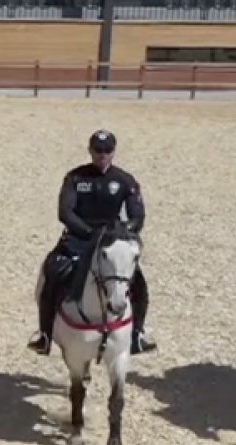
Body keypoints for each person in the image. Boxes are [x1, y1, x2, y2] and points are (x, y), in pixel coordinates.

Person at [28, 129, 155, 356]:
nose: (102, 155)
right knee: (52, 272)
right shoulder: (76, 178)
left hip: (110, 242)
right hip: (79, 238)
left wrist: (123, 231)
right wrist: (87, 232)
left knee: (139, 284)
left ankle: (137, 334)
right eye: (98, 150)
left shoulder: (125, 180)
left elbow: (138, 215)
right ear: (90, 151)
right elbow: (65, 212)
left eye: (107, 151)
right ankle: (45, 334)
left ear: (114, 152)